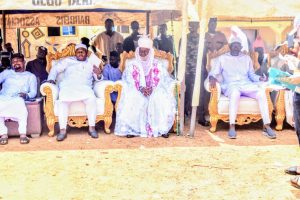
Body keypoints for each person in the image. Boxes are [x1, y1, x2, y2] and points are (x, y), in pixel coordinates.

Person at [209, 36, 276, 139]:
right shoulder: (222, 58)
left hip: (246, 84)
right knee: (235, 93)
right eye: (234, 45)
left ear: (240, 47)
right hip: (231, 85)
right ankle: (232, 126)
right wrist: (212, 77)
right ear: (230, 46)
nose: (236, 47)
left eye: (238, 45)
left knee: (261, 94)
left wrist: (260, 79)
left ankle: (267, 125)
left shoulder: (246, 58)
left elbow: (251, 75)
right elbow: (214, 72)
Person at [115, 35, 176, 138]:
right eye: (141, 51)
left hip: (155, 89)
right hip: (138, 90)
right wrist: (141, 88)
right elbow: (129, 79)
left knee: (159, 98)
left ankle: (161, 129)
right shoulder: (133, 64)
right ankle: (133, 129)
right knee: (134, 98)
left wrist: (152, 88)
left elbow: (162, 79)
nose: (143, 54)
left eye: (145, 51)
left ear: (150, 51)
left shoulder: (157, 64)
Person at [47, 44, 103, 141]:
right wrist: (51, 79)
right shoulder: (68, 61)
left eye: (83, 51)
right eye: (78, 51)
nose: (80, 53)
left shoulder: (91, 63)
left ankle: (92, 128)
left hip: (85, 88)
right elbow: (55, 68)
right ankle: (63, 130)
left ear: (86, 53)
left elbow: (98, 79)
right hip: (68, 87)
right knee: (62, 101)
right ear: (75, 53)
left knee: (91, 99)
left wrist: (98, 74)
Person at [0, 53, 37, 145]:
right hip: (4, 97)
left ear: (24, 62)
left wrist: (26, 95)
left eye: (18, 61)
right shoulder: (6, 73)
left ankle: (23, 134)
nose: (16, 63)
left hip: (18, 98)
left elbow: (33, 92)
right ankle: (3, 134)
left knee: (20, 104)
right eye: (13, 61)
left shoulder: (30, 76)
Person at [198, 17, 228, 126]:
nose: (213, 25)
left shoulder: (221, 36)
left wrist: (218, 52)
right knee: (204, 90)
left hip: (218, 68)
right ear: (208, 24)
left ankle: (217, 111)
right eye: (211, 23)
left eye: (215, 23)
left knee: (218, 88)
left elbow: (227, 48)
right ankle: (205, 112)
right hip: (203, 66)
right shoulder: (203, 36)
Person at [180, 21, 199, 118]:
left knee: (195, 92)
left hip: (197, 69)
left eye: (195, 25)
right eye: (191, 25)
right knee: (185, 91)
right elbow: (181, 55)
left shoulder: (201, 39)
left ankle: (194, 113)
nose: (192, 27)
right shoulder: (184, 39)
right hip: (186, 69)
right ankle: (183, 112)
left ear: (198, 26)